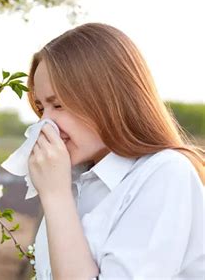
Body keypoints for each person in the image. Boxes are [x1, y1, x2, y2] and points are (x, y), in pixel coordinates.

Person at [26, 22, 204, 279]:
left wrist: (55, 197)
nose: (45, 124)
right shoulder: (76, 180)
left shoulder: (165, 174)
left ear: (107, 98)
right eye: (42, 108)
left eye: (59, 105)